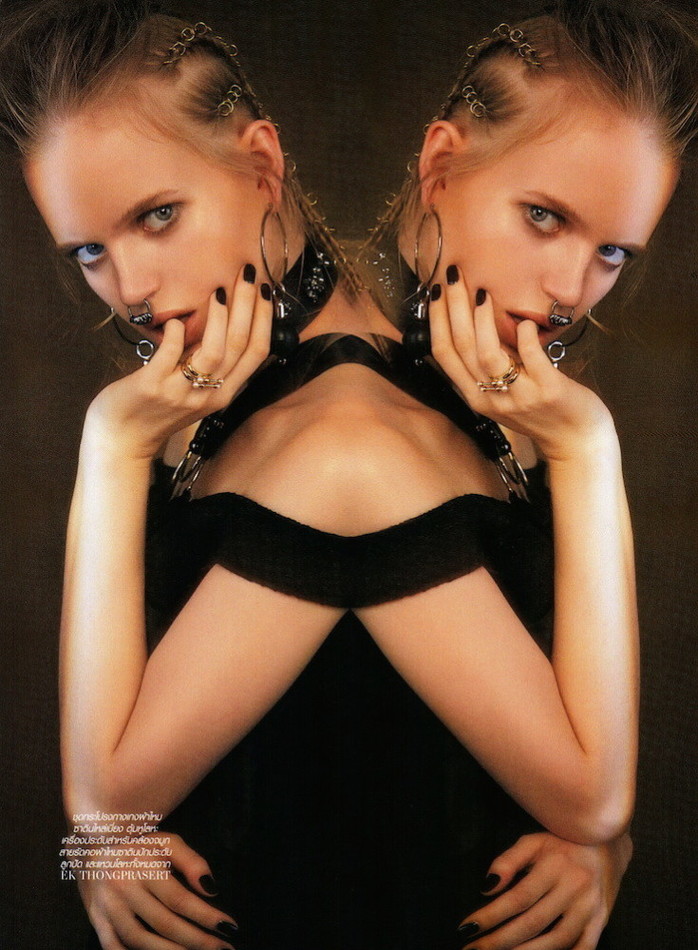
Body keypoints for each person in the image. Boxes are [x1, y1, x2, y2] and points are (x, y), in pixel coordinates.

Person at [0, 0, 685, 948]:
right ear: (439, 168)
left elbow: (592, 799)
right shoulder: (318, 413)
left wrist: (585, 444)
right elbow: (106, 817)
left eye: (610, 250)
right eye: (91, 250)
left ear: (263, 167)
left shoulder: (371, 420)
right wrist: (114, 440)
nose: (131, 289)